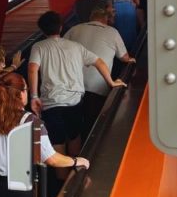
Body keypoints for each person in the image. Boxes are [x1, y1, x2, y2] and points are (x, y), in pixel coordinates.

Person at [28, 11, 125, 162]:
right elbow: (99, 62)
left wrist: (34, 97)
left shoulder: (38, 47)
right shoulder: (76, 47)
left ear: (42, 30)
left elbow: (33, 69)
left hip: (51, 103)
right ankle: (76, 172)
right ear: (60, 28)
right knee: (75, 137)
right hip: (75, 102)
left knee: (57, 143)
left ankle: (61, 181)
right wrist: (111, 82)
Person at [65, 4, 135, 131]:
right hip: (97, 87)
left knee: (72, 126)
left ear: (91, 18)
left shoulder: (74, 29)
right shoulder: (112, 32)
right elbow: (124, 57)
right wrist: (130, 59)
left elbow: (61, 49)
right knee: (91, 122)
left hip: (71, 84)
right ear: (105, 19)